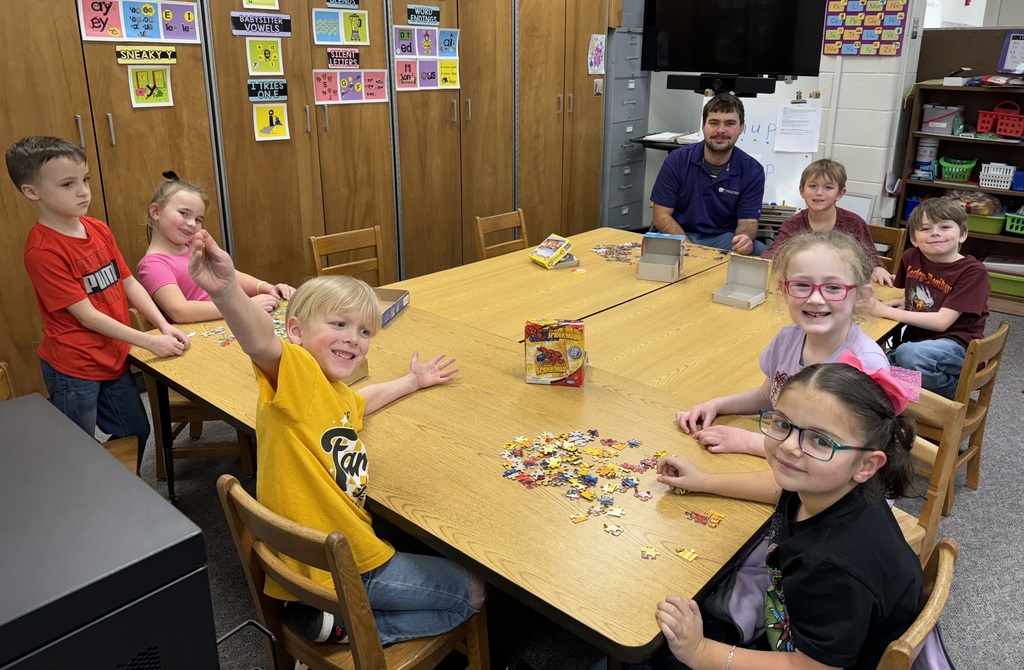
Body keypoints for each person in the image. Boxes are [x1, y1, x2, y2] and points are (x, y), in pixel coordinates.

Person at [187, 229, 484, 645]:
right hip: (345, 563)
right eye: (339, 324)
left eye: (364, 332)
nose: (353, 338)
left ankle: (327, 615)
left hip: (311, 555)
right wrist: (226, 292)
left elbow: (358, 402)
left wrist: (412, 382)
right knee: (471, 593)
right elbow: (259, 342)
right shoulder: (297, 378)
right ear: (295, 332)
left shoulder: (329, 392)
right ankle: (352, 631)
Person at [653, 357, 922, 670]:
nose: (790, 447)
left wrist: (700, 652)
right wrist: (704, 481)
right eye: (782, 424)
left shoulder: (830, 567)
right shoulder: (832, 486)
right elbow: (779, 488)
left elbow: (813, 666)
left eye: (821, 441)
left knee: (662, 654)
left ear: (866, 465)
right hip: (802, 623)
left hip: (814, 659)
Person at [5, 136, 190, 464]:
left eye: (85, 180)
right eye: (67, 184)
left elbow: (128, 282)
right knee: (75, 446)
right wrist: (148, 343)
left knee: (134, 431)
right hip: (73, 367)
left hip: (114, 357)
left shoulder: (98, 229)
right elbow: (87, 316)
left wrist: (162, 325)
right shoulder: (43, 250)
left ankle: (119, 493)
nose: (83, 191)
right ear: (32, 192)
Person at [677, 230, 888, 457]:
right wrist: (717, 405)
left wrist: (749, 442)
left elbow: (842, 455)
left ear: (862, 296)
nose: (815, 299)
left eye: (834, 288)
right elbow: (769, 397)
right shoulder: (787, 339)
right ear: (784, 290)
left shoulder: (865, 364)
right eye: (802, 285)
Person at [137, 173, 294, 324]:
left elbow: (229, 275)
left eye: (198, 219)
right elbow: (179, 310)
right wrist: (240, 307)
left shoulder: (195, 246)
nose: (192, 224)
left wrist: (266, 287)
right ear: (155, 212)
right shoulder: (153, 264)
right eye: (184, 213)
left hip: (226, 323)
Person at [872, 198, 990, 399]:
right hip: (917, 342)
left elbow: (942, 322)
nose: (935, 232)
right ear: (915, 239)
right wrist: (906, 302)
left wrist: (884, 310)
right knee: (872, 363)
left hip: (958, 345)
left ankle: (956, 392)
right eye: (925, 229)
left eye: (944, 227)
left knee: (905, 356)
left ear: (962, 234)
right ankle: (910, 389)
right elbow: (914, 290)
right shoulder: (911, 257)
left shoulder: (973, 271)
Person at [650, 92, 767, 256]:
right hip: (677, 234)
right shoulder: (677, 160)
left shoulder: (752, 171)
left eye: (730, 123)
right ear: (703, 126)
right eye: (714, 123)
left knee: (763, 253)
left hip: (722, 239)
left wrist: (744, 239)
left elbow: (748, 221)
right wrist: (688, 247)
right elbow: (661, 216)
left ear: (741, 128)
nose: (721, 130)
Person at [761, 159, 894, 287]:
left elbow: (871, 259)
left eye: (828, 188)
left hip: (842, 287)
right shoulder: (792, 225)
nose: (819, 193)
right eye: (812, 186)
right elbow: (773, 255)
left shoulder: (854, 223)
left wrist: (877, 268)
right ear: (802, 191)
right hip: (804, 286)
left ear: (840, 193)